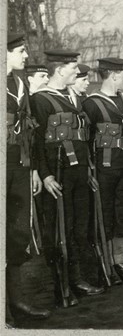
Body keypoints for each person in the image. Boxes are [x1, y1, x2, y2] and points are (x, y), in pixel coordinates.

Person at [31, 49, 105, 308]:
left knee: (78, 228)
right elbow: (37, 141)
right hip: (56, 173)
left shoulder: (74, 96)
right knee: (59, 229)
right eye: (74, 67)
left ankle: (77, 279)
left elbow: (81, 138)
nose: (78, 71)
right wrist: (45, 173)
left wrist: (87, 170)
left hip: (78, 172)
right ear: (59, 69)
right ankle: (60, 285)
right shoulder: (39, 99)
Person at [82, 58, 123, 283]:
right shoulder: (91, 103)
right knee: (105, 214)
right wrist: (90, 170)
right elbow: (85, 141)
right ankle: (105, 263)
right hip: (104, 169)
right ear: (111, 74)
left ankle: (119, 261)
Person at [6, 33, 51, 323]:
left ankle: (17, 301)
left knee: (17, 235)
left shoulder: (20, 84)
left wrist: (33, 168)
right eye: (21, 51)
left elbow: (30, 132)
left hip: (19, 168)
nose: (25, 57)